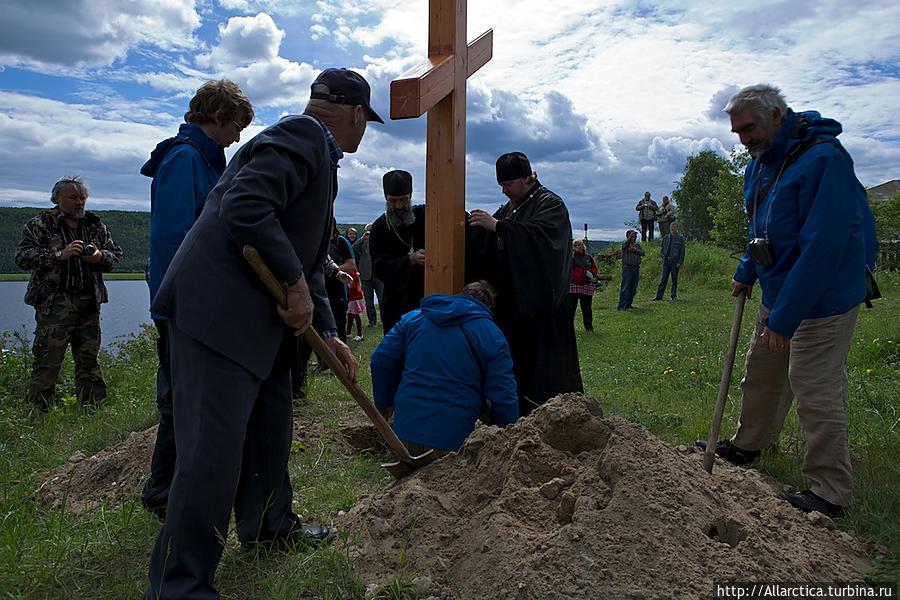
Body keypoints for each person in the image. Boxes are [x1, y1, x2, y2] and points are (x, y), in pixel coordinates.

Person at [144, 67, 382, 599]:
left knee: (270, 432)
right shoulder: (302, 136)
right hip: (218, 318)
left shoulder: (319, 154)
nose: (364, 132)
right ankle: (180, 585)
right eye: (366, 121)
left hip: (262, 324)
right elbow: (246, 206)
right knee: (210, 454)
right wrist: (295, 284)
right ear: (354, 113)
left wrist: (326, 327)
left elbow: (308, 255)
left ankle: (271, 529)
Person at [696, 84, 877, 519]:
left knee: (815, 387)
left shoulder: (824, 161)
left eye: (749, 128)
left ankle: (831, 492)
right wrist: (746, 269)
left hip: (824, 299)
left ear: (777, 115)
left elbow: (823, 249)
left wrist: (785, 318)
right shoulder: (760, 165)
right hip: (779, 292)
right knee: (761, 372)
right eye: (737, 132)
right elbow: (761, 228)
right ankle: (748, 444)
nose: (743, 139)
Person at [139, 79, 254, 522]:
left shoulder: (206, 159)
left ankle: (167, 487)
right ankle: (162, 492)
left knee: (186, 396)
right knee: (179, 396)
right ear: (218, 116)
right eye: (237, 125)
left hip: (195, 297)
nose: (238, 136)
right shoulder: (184, 159)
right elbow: (175, 238)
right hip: (183, 300)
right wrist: (184, 303)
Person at [468, 151, 583, 417]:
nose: (504, 192)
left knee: (545, 372)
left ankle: (554, 417)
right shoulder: (512, 206)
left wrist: (499, 227)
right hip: (514, 309)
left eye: (508, 185)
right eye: (501, 186)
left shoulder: (550, 204)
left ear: (527, 178)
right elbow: (491, 232)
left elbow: (542, 241)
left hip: (543, 310)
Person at [371, 280, 519, 454]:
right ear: (488, 307)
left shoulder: (414, 319)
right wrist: (510, 439)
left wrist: (385, 404)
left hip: (403, 436)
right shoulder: (492, 335)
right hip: (452, 443)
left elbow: (380, 359)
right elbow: (504, 396)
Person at [15, 176, 123, 411]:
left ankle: (93, 411)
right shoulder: (41, 224)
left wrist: (98, 257)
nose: (79, 202)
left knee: (89, 362)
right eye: (73, 197)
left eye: (82, 197)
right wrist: (58, 256)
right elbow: (22, 257)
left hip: (89, 303)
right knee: (48, 361)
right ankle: (39, 414)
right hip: (55, 303)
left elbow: (115, 257)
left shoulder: (95, 226)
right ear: (58, 199)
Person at [370, 170, 426, 333]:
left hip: (424, 298)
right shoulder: (380, 227)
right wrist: (408, 260)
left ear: (410, 196)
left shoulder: (423, 215)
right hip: (396, 303)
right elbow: (379, 268)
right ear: (386, 198)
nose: (399, 206)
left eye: (404, 199)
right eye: (393, 201)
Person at [326, 222, 355, 343]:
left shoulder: (341, 241)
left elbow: (351, 265)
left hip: (338, 291)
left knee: (338, 327)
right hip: (320, 291)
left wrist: (333, 270)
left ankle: (341, 360)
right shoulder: (316, 239)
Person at [353, 223, 384, 327]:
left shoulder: (380, 241)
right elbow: (353, 250)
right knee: (369, 300)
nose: (370, 232)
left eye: (372, 230)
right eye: (368, 230)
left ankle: (385, 319)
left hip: (379, 276)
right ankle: (372, 321)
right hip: (366, 276)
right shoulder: (362, 243)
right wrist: (363, 238)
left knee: (382, 299)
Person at [569, 239, 599, 332]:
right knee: (571, 309)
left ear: (582, 246)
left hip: (586, 285)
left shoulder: (588, 257)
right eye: (575, 245)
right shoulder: (570, 257)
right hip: (574, 285)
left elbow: (594, 268)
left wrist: (592, 274)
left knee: (586, 308)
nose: (577, 247)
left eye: (579, 245)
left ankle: (589, 327)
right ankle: (568, 327)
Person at [652, 222, 685, 301]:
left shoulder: (680, 238)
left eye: (674, 227)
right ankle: (659, 296)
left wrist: (680, 262)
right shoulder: (666, 237)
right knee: (663, 279)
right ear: (670, 228)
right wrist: (662, 256)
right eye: (671, 227)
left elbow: (682, 252)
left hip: (675, 262)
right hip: (666, 262)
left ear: (677, 228)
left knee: (674, 280)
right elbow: (662, 248)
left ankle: (673, 296)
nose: (673, 228)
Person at [343, 227, 366, 340]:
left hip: (354, 290)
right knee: (350, 313)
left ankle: (359, 333)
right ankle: (348, 332)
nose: (352, 235)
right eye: (350, 233)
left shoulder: (358, 246)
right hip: (351, 290)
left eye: (353, 234)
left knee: (354, 313)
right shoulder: (345, 244)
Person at [617, 229, 644, 310]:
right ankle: (622, 306)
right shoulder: (625, 244)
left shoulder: (637, 245)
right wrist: (629, 238)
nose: (634, 238)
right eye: (632, 236)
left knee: (633, 288)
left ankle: (628, 304)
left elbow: (643, 252)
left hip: (636, 268)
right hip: (627, 268)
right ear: (628, 237)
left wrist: (635, 250)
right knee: (625, 287)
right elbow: (625, 244)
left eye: (635, 236)